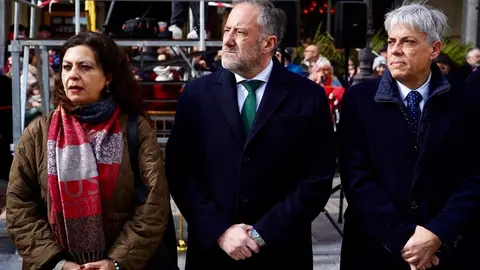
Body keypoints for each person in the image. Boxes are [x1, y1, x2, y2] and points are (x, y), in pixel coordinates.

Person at [165, 0, 336, 269]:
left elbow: (317, 177)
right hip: (213, 253)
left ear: (268, 43)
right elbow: (180, 171)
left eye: (240, 33)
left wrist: (261, 234)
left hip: (282, 252)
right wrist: (220, 231)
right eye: (227, 30)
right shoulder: (196, 95)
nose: (228, 40)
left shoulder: (307, 96)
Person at [7, 32, 171, 270]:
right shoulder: (38, 132)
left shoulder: (136, 129)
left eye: (85, 67)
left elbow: (154, 203)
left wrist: (116, 261)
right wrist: (57, 263)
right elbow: (19, 206)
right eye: (67, 67)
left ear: (108, 77)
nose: (73, 75)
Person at [339, 3, 480, 270]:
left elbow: (474, 176)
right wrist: (403, 237)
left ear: (434, 50)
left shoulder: (467, 101)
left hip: (449, 249)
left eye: (408, 41)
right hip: (375, 249)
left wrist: (436, 234)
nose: (395, 50)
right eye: (392, 41)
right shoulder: (359, 100)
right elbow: (356, 176)